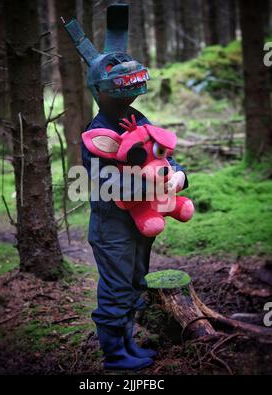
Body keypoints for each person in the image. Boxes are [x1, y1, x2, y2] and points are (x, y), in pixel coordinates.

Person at [63, 4, 188, 370]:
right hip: (113, 227)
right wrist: (151, 185)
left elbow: (162, 153)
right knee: (117, 289)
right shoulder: (96, 132)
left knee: (135, 284)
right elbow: (107, 183)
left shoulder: (139, 118)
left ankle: (128, 343)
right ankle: (114, 356)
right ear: (102, 88)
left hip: (140, 225)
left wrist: (178, 175)